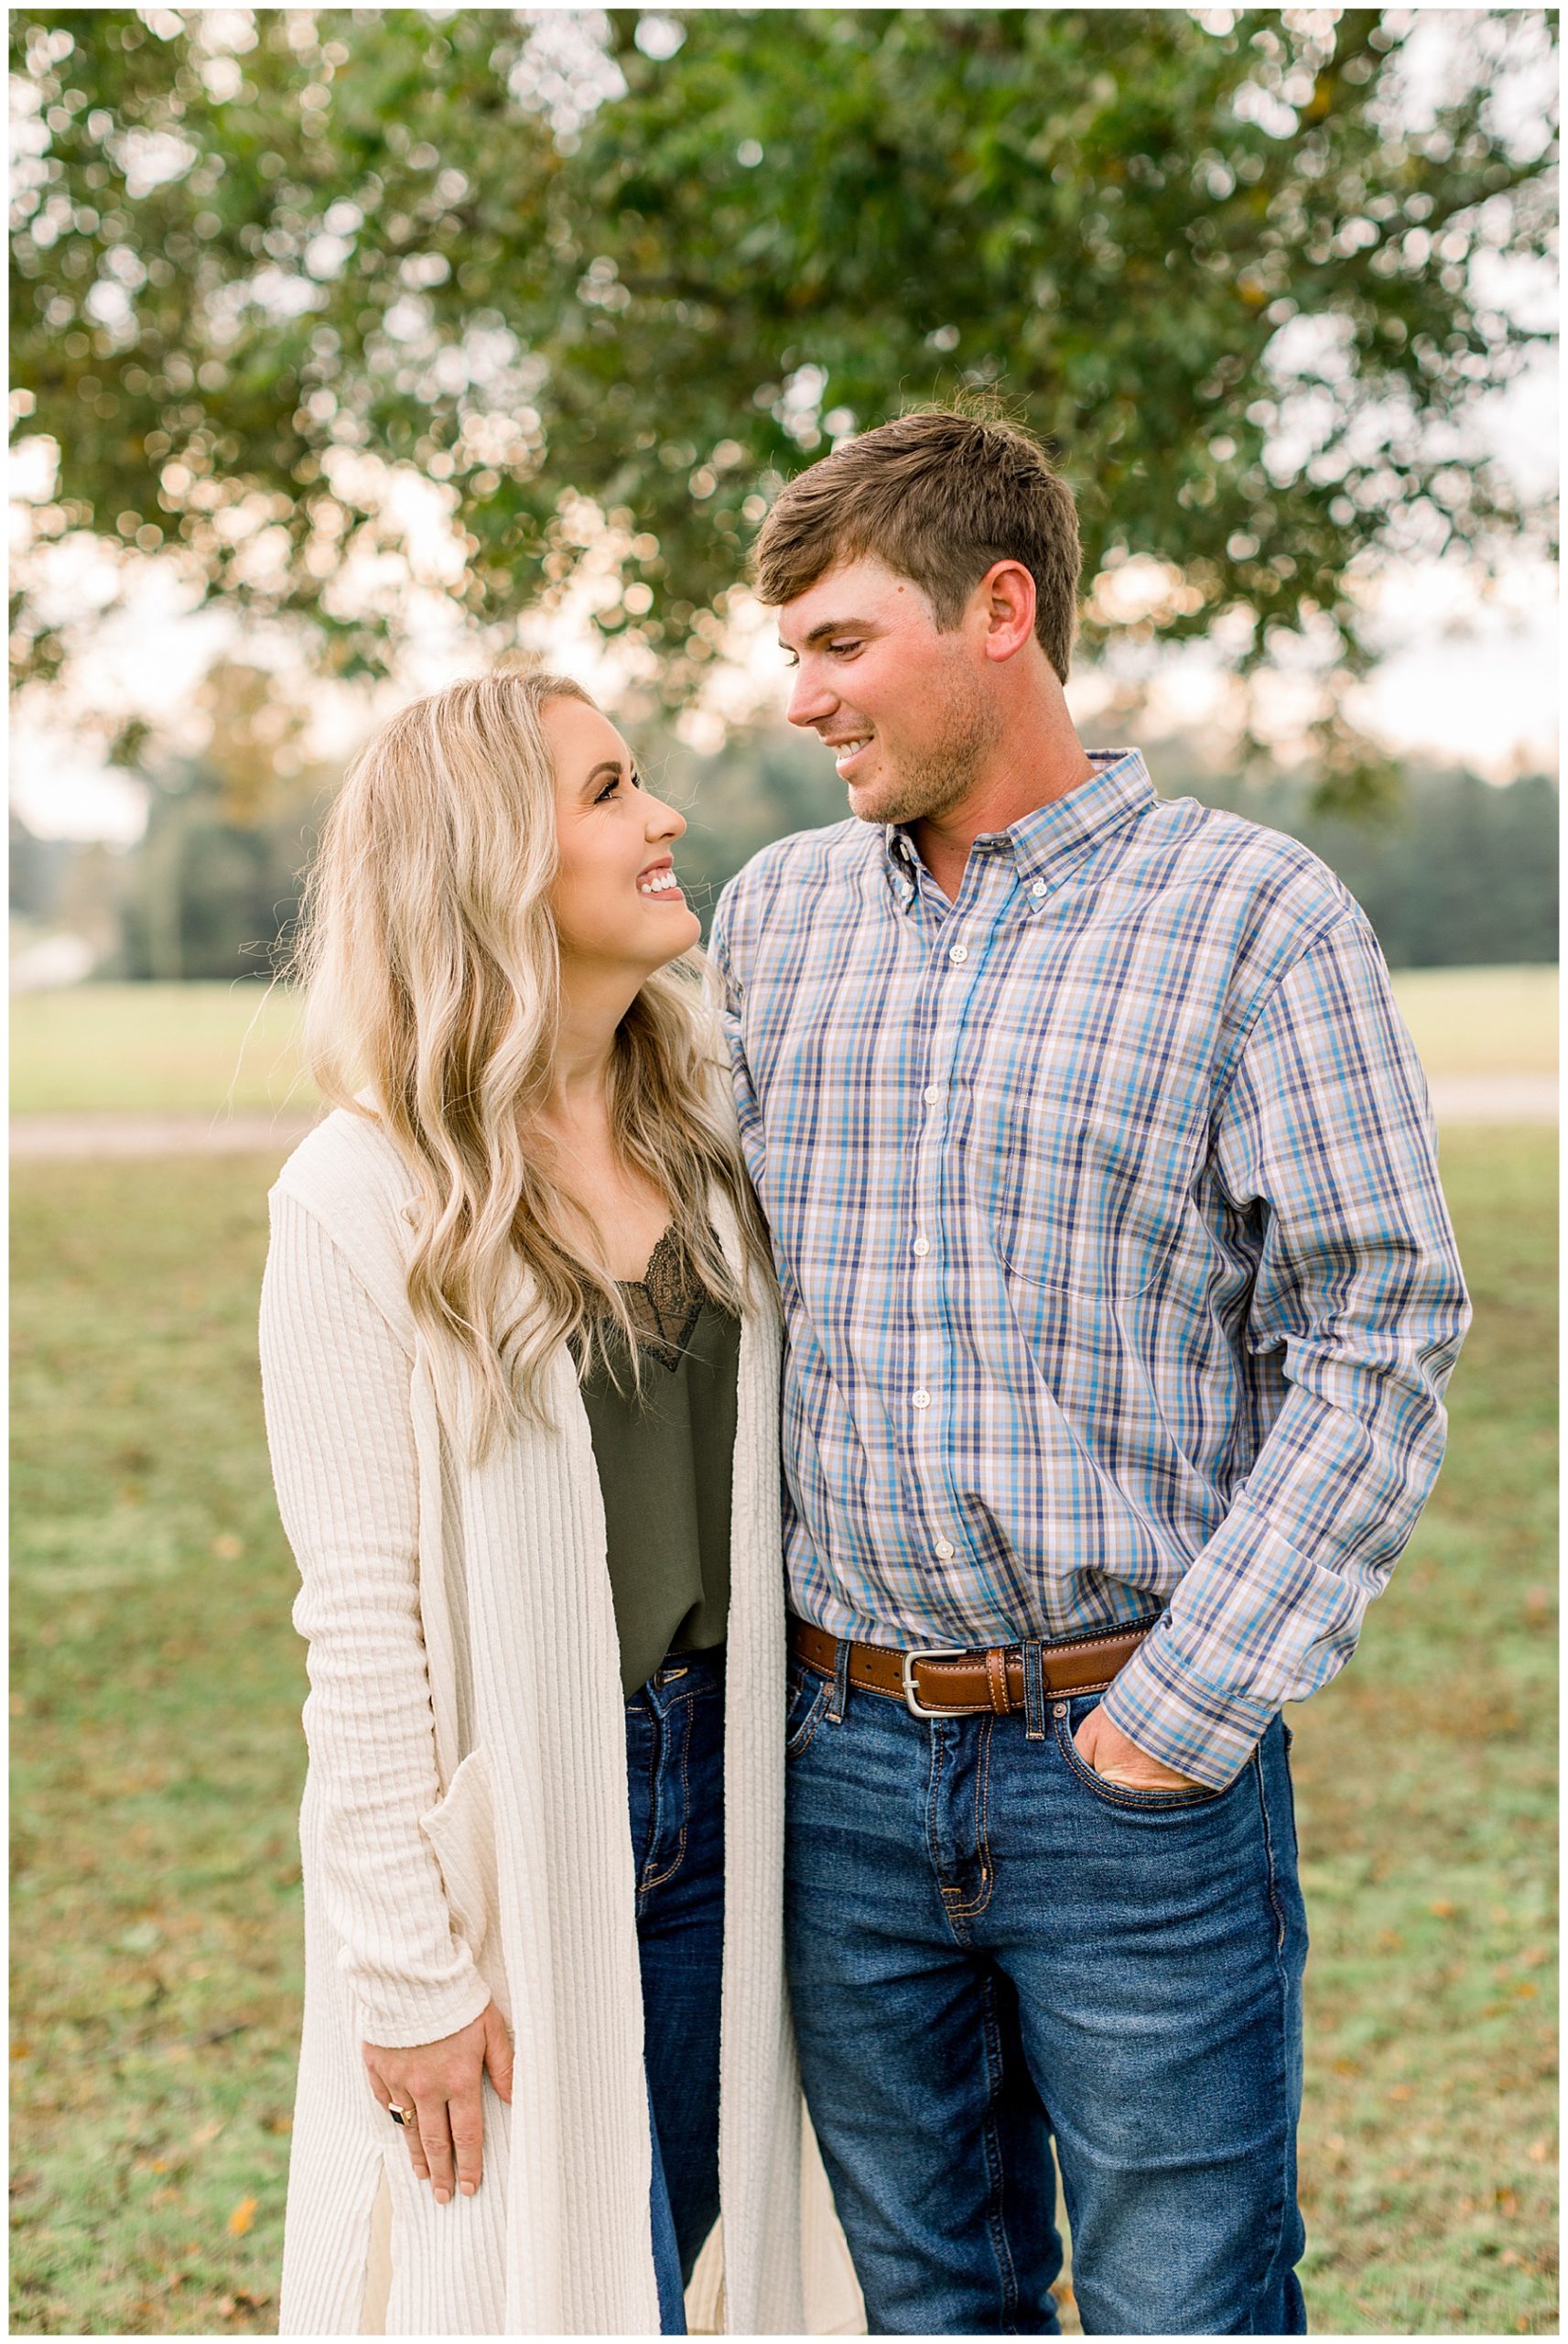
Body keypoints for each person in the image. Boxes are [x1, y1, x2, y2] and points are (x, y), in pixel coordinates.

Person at [709, 408, 1471, 2337]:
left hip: (1126, 1763)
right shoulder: (772, 922)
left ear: (997, 607)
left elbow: (1378, 1322)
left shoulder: (1254, 917)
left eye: (837, 642)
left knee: (1183, 2304)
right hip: (842, 1772)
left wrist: (1178, 1706)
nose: (799, 697)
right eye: (787, 649)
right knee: (925, 2304)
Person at [258, 667, 847, 2335]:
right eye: (606, 793)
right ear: (489, 868)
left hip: (749, 1799)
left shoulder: (718, 1119)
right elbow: (357, 1625)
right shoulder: (362, 1198)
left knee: (747, 2274)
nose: (663, 818)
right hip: (522, 1833)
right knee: (554, 2290)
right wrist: (410, 1974)